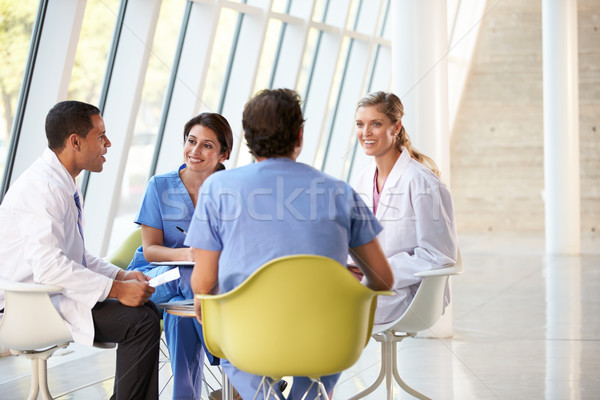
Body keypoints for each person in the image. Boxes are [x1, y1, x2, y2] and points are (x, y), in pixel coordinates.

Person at [185, 88, 394, 400]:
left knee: (219, 328)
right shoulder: (339, 191)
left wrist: (204, 296)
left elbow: (203, 282)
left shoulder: (218, 187)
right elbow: (383, 279)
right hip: (326, 341)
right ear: (299, 135)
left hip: (248, 339)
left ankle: (264, 396)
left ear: (246, 136)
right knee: (327, 345)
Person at [0, 101, 160, 400]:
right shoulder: (44, 188)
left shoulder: (63, 183)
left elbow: (77, 257)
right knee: (140, 323)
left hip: (49, 295)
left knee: (146, 310)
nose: (108, 143)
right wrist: (116, 289)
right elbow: (50, 268)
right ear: (76, 141)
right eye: (101, 135)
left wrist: (122, 275)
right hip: (27, 306)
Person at [127, 112, 233, 399]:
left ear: (224, 153)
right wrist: (189, 254)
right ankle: (235, 371)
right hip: (154, 278)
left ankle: (185, 395)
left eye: (207, 145)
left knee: (179, 315)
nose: (195, 151)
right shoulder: (159, 186)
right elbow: (150, 249)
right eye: (191, 141)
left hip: (200, 287)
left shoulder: (232, 191)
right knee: (191, 277)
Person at [351, 91, 458, 324]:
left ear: (396, 127)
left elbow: (440, 255)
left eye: (376, 124)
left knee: (326, 305)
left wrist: (380, 271)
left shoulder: (422, 182)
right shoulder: (363, 177)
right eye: (360, 124)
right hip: (371, 281)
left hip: (406, 292)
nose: (365, 133)